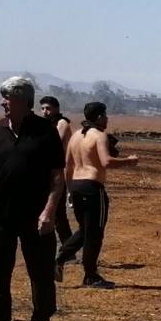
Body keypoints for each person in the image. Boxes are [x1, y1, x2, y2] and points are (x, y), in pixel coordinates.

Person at [0, 76, 65, 321]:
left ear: (23, 101)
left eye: (7, 98)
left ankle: (42, 319)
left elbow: (57, 176)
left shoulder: (45, 131)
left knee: (41, 268)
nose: (2, 102)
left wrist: (49, 211)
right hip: (0, 212)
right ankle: (1, 319)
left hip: (36, 214)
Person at [56, 101, 140, 288]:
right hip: (93, 187)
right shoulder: (99, 135)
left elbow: (67, 166)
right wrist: (129, 161)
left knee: (85, 230)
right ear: (100, 116)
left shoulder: (76, 136)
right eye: (106, 115)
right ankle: (90, 275)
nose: (107, 118)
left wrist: (69, 190)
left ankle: (61, 258)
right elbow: (106, 162)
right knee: (95, 233)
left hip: (76, 186)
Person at [40, 96, 75, 251]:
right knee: (53, 211)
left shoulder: (62, 123)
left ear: (56, 109)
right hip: (49, 171)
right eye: (42, 108)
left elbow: (55, 143)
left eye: (48, 108)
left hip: (62, 172)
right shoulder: (47, 125)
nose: (45, 112)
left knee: (59, 213)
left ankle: (68, 249)